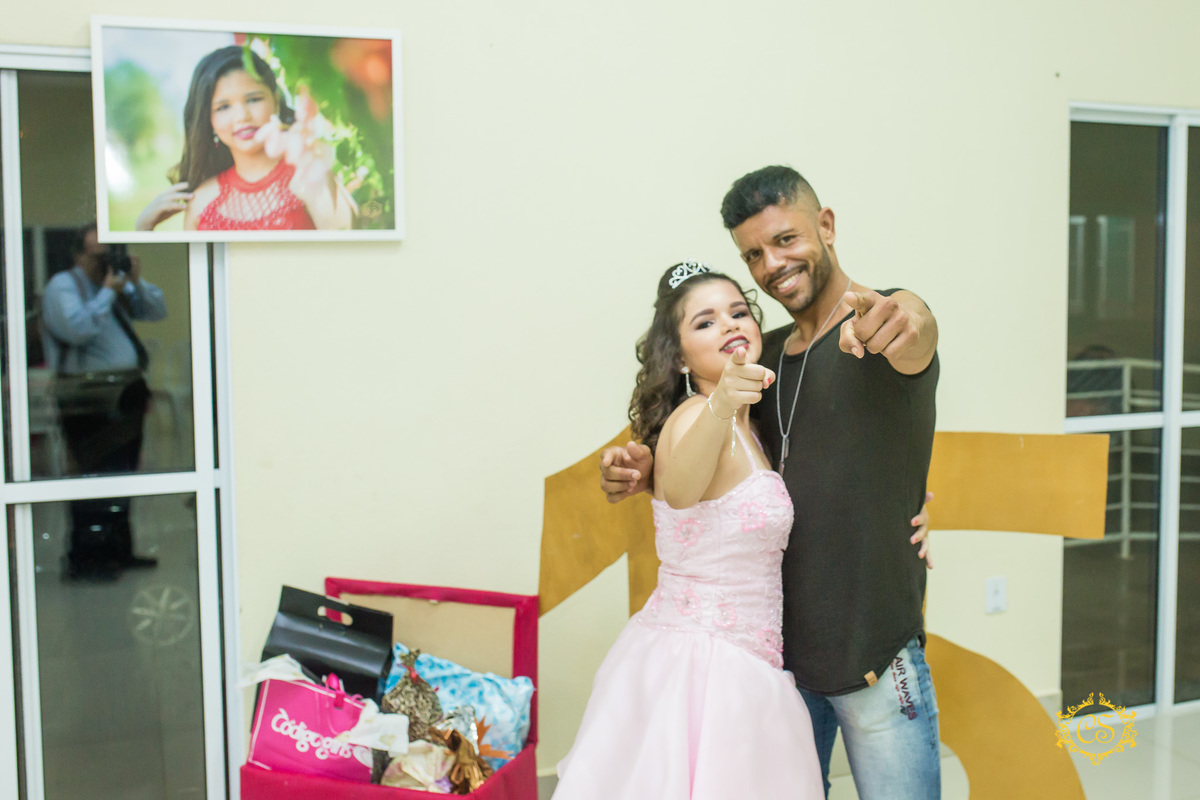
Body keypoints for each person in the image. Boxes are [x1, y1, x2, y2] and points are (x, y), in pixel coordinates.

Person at [601, 166, 941, 799]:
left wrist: (906, 320)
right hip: (778, 662)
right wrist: (651, 470)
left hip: (873, 652)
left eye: (786, 239)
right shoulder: (759, 359)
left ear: (827, 226)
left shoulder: (877, 326)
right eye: (754, 254)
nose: (773, 264)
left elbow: (914, 330)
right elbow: (726, 472)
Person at [554, 261, 823, 799]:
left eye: (738, 312)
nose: (729, 324)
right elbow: (679, 489)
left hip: (748, 660)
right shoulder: (697, 416)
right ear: (678, 356)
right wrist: (721, 401)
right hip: (707, 670)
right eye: (705, 321)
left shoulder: (751, 426)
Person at [42, 223, 168, 578]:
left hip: (125, 390)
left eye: (111, 253)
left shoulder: (115, 284)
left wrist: (135, 281)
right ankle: (86, 559)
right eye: (99, 255)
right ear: (79, 255)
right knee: (93, 473)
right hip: (86, 395)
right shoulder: (63, 286)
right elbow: (76, 329)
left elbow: (156, 311)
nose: (106, 262)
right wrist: (108, 292)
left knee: (123, 472)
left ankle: (119, 551)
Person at [135, 45, 355, 232]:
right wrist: (143, 229)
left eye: (253, 99)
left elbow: (347, 252)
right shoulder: (201, 202)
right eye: (223, 107)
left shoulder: (308, 176)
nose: (242, 116)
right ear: (208, 119)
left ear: (275, 102)